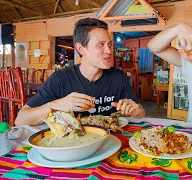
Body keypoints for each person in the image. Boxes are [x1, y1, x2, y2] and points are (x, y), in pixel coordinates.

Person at [15, 18, 145, 126]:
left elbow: (141, 113)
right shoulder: (61, 79)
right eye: (100, 45)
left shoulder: (118, 77)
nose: (109, 51)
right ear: (81, 48)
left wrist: (134, 110)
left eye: (109, 44)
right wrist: (60, 104)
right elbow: (20, 120)